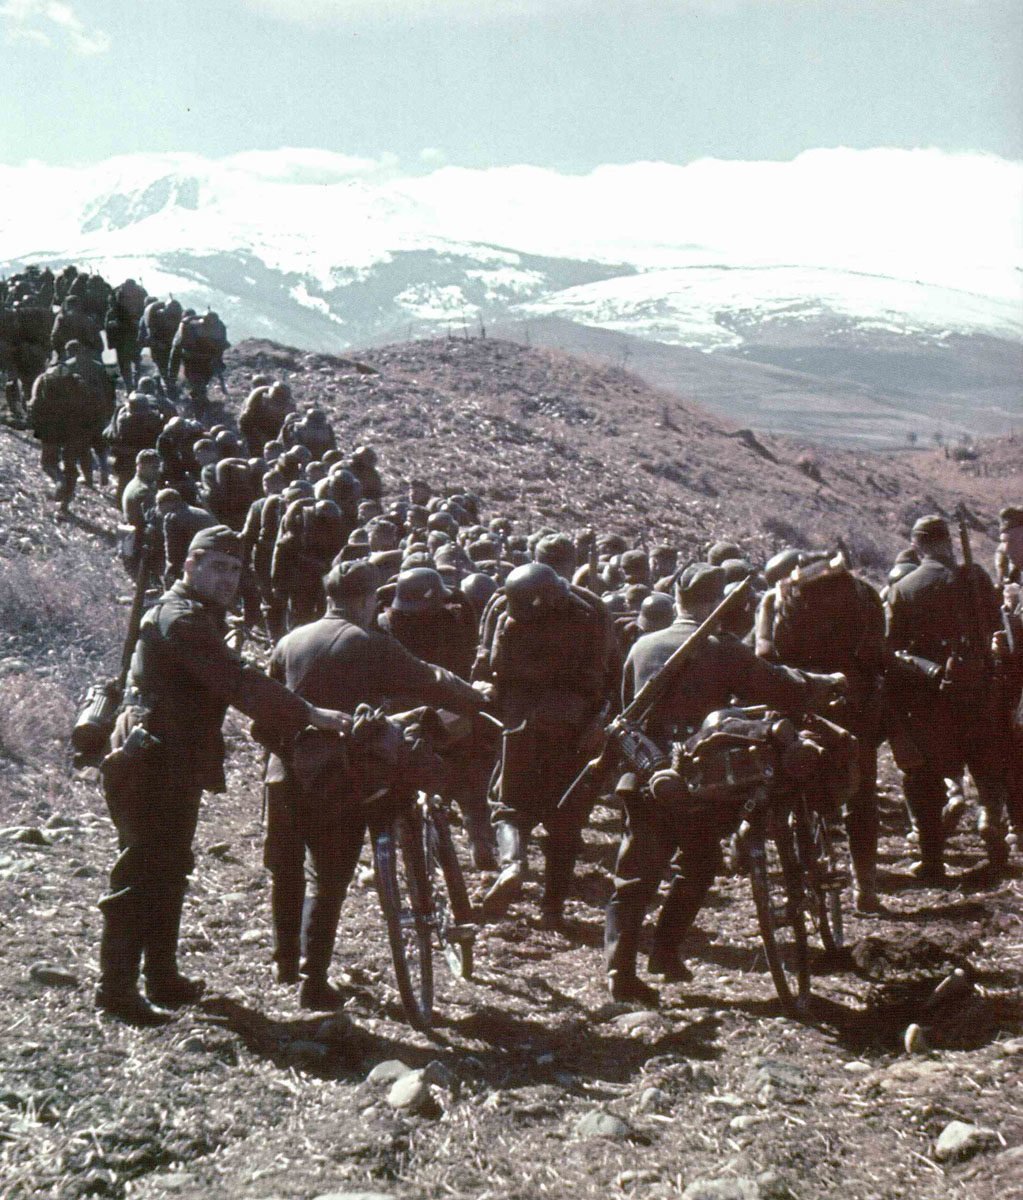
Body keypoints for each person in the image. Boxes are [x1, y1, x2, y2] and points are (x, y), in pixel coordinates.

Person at [96, 526, 349, 1024]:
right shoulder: (181, 619)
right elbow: (236, 682)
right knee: (142, 873)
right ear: (188, 565)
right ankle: (116, 991)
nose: (227, 577)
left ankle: (161, 976)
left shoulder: (199, 616)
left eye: (235, 569)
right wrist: (309, 713)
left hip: (174, 763)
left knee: (169, 868)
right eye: (216, 566)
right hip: (150, 763)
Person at [604, 563, 843, 1004]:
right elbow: (777, 686)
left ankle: (621, 972)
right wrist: (820, 683)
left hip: (647, 775)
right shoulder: (724, 649)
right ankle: (666, 950)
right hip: (703, 778)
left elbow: (625, 711)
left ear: (677, 596)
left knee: (634, 876)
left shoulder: (643, 645)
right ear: (717, 602)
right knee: (699, 862)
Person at [263, 559, 485, 1009]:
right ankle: (313, 981)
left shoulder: (291, 640)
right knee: (329, 877)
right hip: (336, 777)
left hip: (283, 772)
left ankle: (286, 962)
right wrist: (476, 697)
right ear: (368, 600)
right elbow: (430, 680)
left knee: (286, 869)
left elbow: (266, 711)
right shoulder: (369, 642)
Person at [473, 560, 619, 927]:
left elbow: (486, 665)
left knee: (508, 805)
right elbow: (611, 676)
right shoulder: (591, 611)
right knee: (566, 819)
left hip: (528, 722)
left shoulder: (584, 612)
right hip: (570, 725)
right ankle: (552, 908)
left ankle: (513, 864)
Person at [756, 551, 886, 911]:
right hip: (853, 706)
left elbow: (764, 654)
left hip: (799, 702)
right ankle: (866, 887)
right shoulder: (865, 594)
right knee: (863, 794)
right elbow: (877, 655)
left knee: (794, 785)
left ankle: (800, 877)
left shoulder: (776, 598)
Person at [886, 515, 1010, 881]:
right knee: (987, 762)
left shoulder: (904, 588)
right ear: (948, 543)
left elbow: (893, 649)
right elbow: (994, 628)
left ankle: (933, 858)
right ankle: (990, 820)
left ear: (918, 545)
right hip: (981, 687)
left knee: (925, 776)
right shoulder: (976, 578)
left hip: (932, 696)